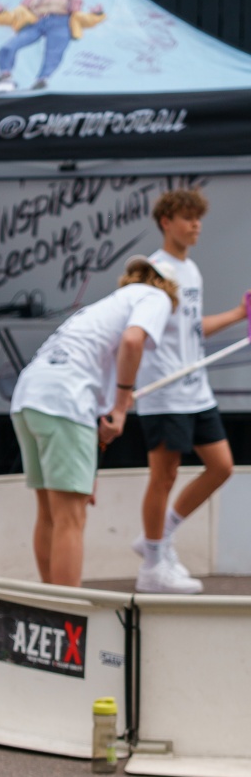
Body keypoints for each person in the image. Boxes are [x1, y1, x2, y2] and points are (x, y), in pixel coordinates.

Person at [10, 255, 177, 587]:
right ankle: (67, 610)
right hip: (65, 400)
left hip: (30, 396)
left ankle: (52, 603)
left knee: (49, 514)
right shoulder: (155, 297)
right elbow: (132, 341)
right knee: (70, 518)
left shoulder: (108, 305)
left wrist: (92, 469)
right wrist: (122, 405)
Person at [132, 188, 246, 594]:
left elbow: (193, 330)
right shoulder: (154, 271)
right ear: (166, 222)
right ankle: (152, 564)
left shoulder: (191, 271)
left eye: (198, 218)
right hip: (165, 391)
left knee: (222, 467)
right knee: (163, 476)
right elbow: (139, 331)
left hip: (197, 390)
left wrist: (240, 314)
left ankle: (158, 536)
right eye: (187, 217)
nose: (196, 225)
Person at [0, 0, 105, 93]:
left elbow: (81, 18)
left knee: (54, 53)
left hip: (61, 23)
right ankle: (5, 74)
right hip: (37, 22)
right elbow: (16, 15)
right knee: (8, 46)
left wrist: (97, 14)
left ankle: (42, 79)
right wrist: (0, 12)